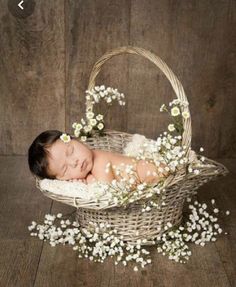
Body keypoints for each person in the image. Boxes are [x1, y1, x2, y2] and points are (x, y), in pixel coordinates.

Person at [28, 130, 169, 186]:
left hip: (150, 172)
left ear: (76, 140)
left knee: (155, 174)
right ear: (61, 179)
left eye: (71, 151)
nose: (74, 162)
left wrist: (89, 180)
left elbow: (106, 190)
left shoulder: (99, 162)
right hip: (143, 177)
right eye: (65, 169)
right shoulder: (90, 160)